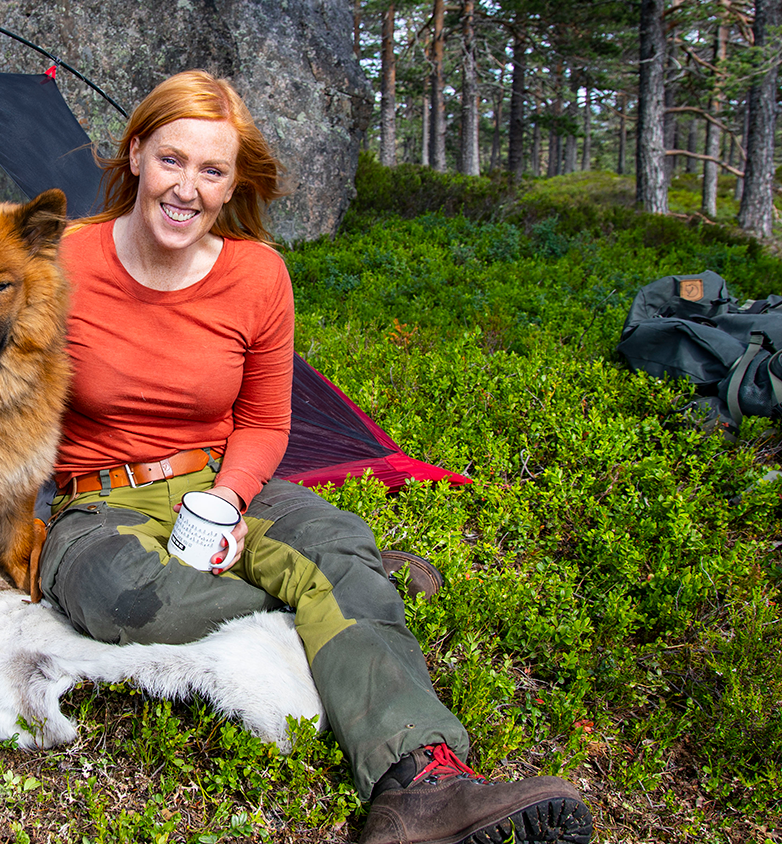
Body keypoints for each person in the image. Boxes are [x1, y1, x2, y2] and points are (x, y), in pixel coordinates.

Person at [39, 69, 593, 844]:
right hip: (99, 504)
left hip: (224, 482)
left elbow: (265, 422)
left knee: (326, 542)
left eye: (212, 170)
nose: (186, 189)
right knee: (120, 598)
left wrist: (229, 500)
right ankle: (347, 593)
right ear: (135, 155)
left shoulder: (257, 275)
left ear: (233, 184)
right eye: (171, 160)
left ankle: (420, 782)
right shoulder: (61, 260)